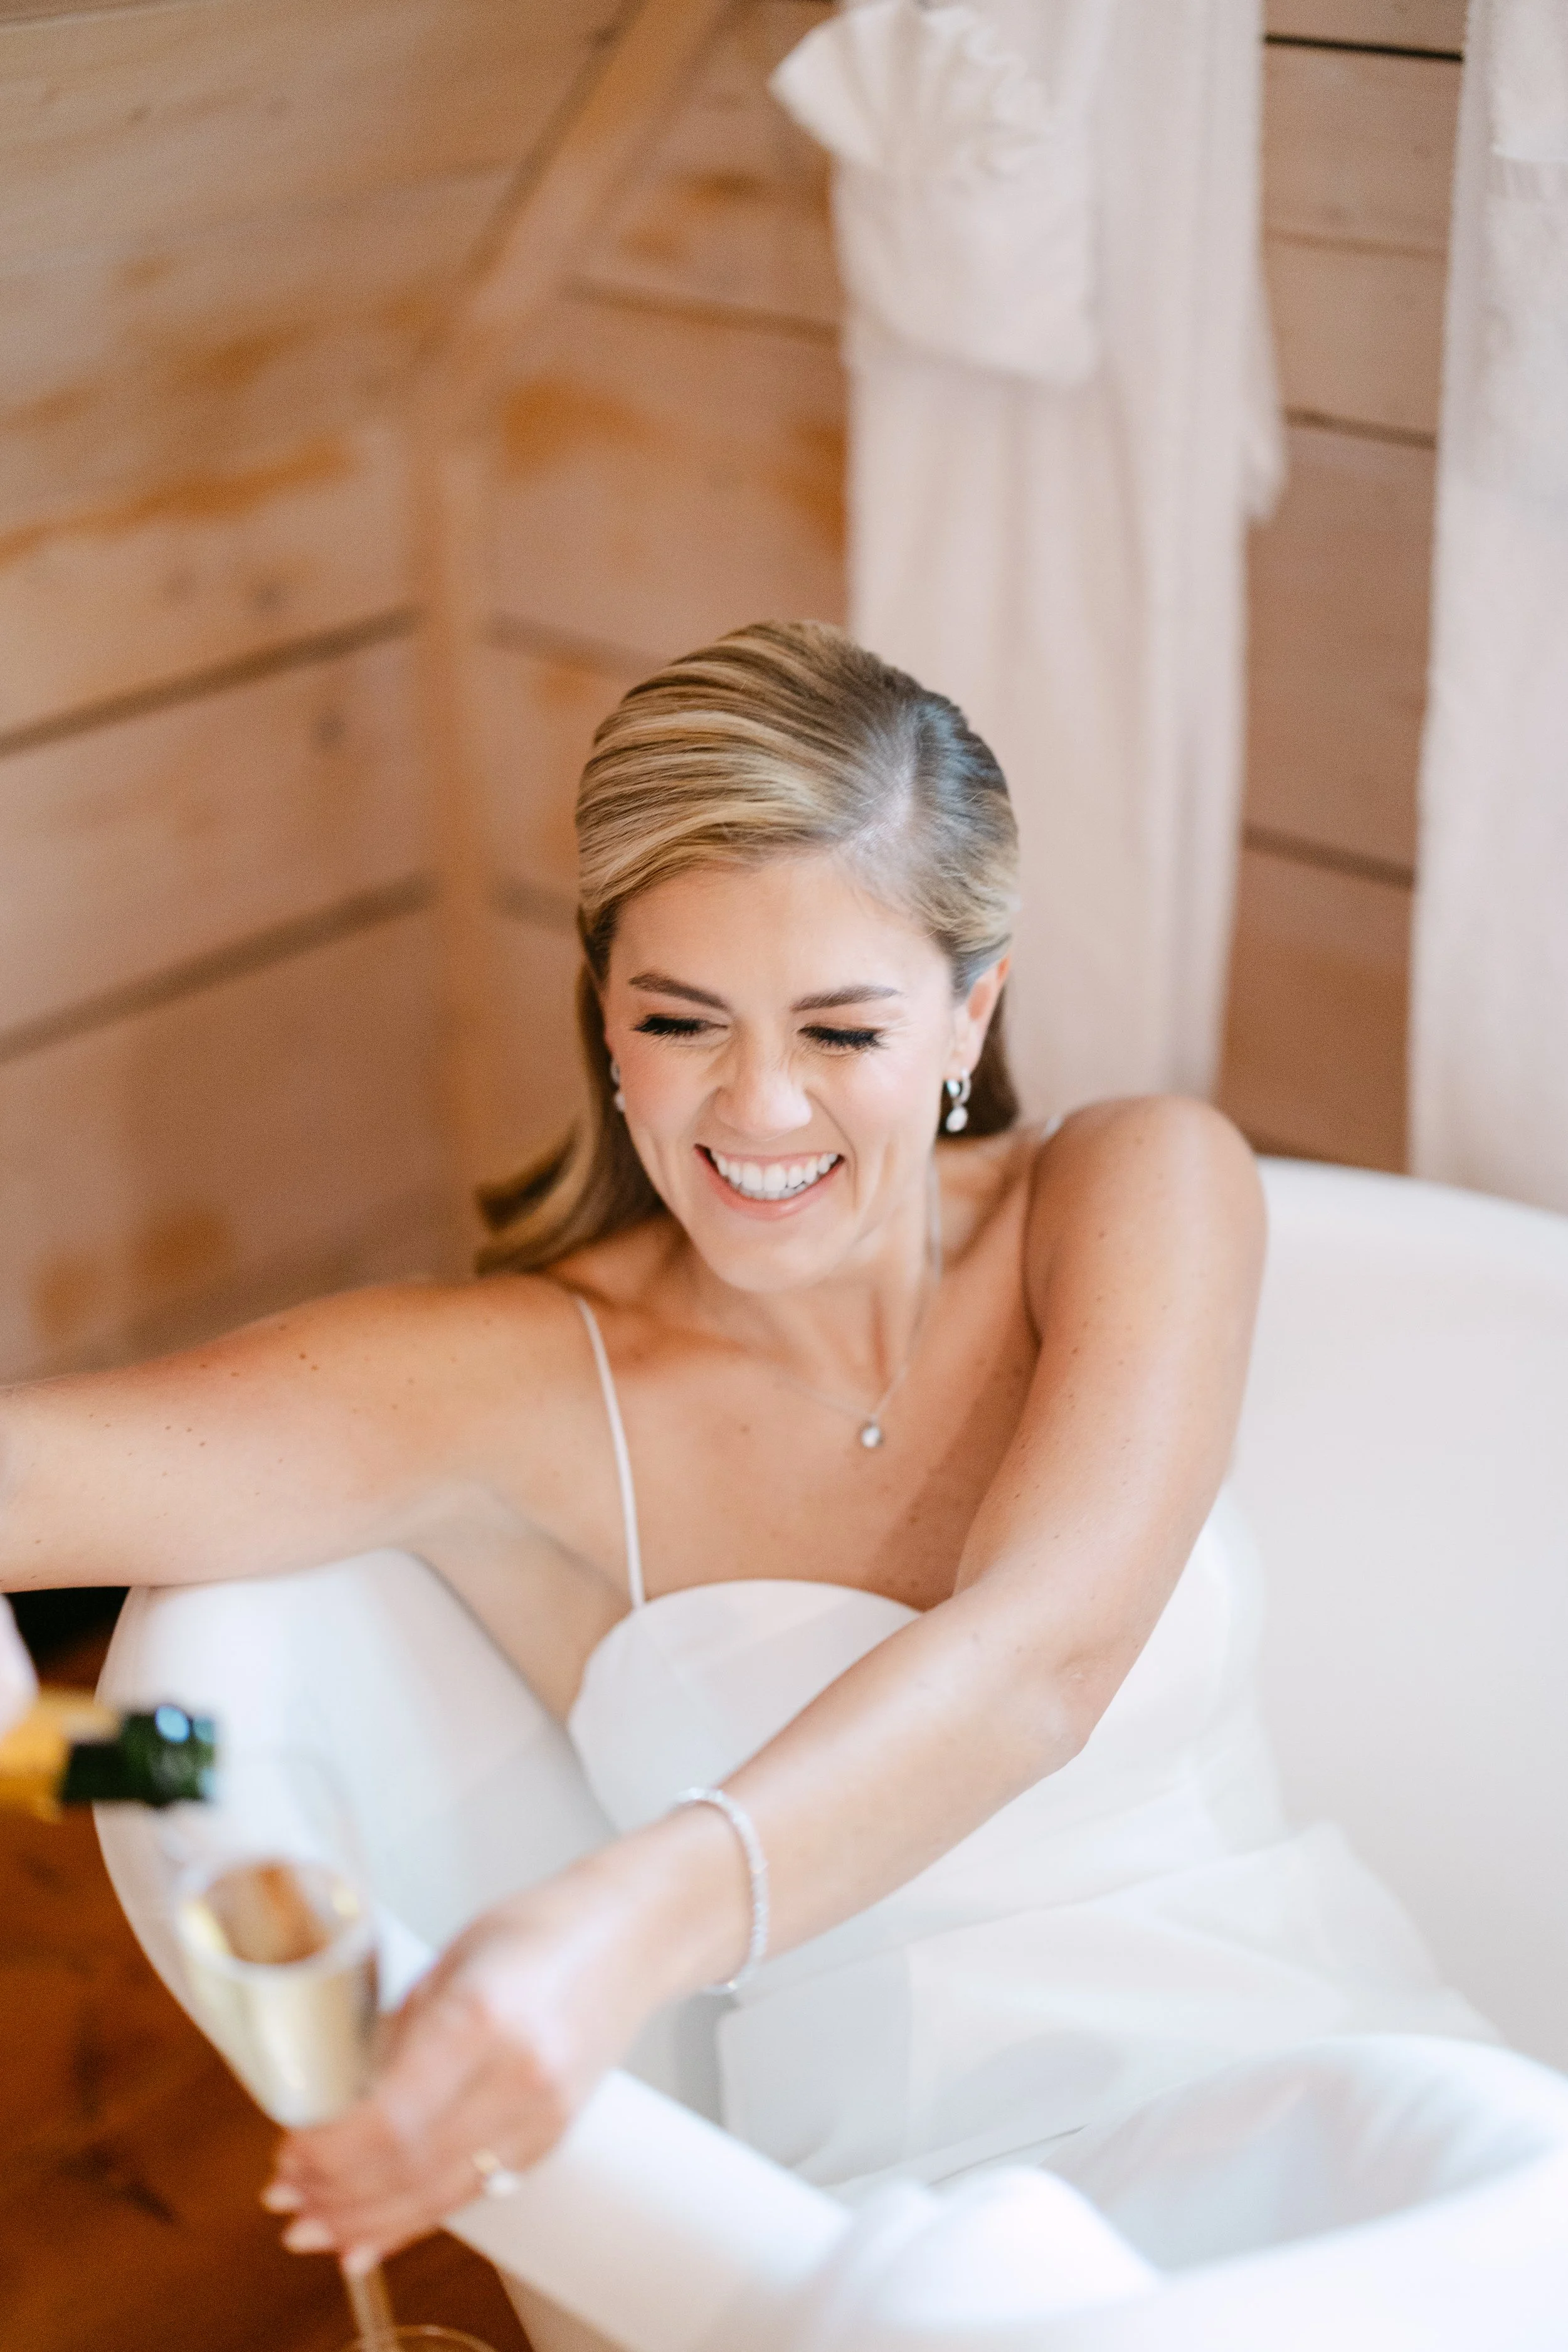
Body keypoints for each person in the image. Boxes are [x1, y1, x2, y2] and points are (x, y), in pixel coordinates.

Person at [0, 622, 1488, 2307]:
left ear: (965, 1009)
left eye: (840, 1031)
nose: (758, 1109)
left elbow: (1040, 1662)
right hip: (900, 2222)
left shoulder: (1137, 1187)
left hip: (1343, 2093)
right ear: (608, 1025)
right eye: (681, 1018)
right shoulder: (517, 1388)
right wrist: (47, 1753)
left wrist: (600, 1933)